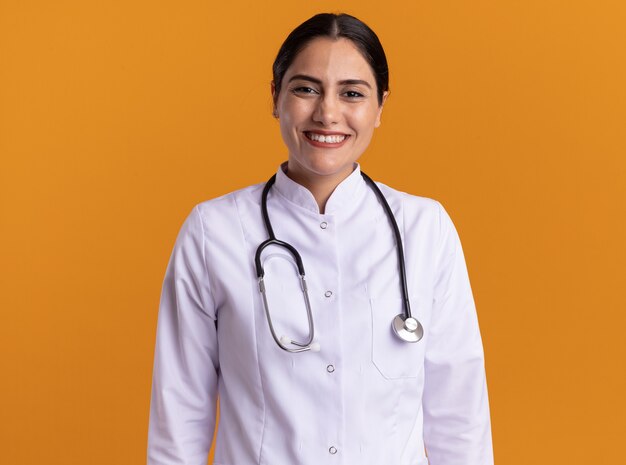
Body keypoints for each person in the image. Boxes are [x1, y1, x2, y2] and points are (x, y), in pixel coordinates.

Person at [147, 12, 493, 465]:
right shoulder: (214, 232)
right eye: (306, 88)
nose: (328, 112)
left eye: (352, 93)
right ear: (275, 96)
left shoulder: (426, 230)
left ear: (380, 107)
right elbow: (179, 418)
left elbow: (459, 419)